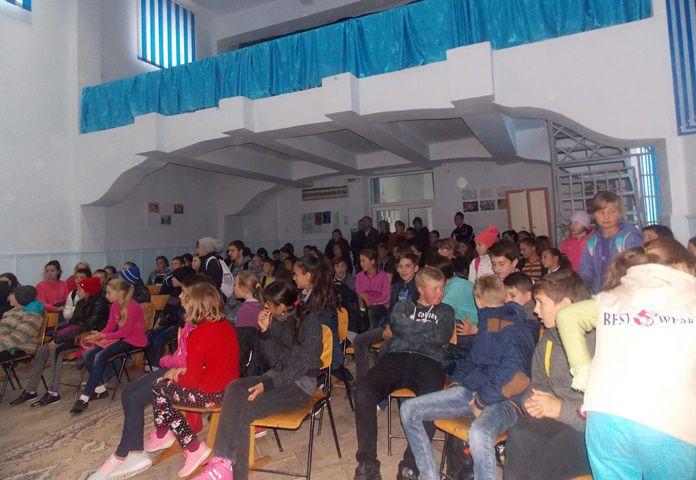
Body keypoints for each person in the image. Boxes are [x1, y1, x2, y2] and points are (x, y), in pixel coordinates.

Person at [557, 238, 696, 479]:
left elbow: (567, 316)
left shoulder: (613, 295)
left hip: (605, 415)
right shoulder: (691, 295)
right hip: (668, 421)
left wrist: (584, 374)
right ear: (682, 266)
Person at [399, 275, 538, 480]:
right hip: (473, 391)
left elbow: (515, 375)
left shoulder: (515, 326)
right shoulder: (490, 322)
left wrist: (482, 400)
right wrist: (457, 381)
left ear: (478, 300)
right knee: (409, 410)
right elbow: (472, 360)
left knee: (479, 434)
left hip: (506, 401)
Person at [192, 281, 323, 480]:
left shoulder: (310, 322)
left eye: (268, 304)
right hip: (277, 378)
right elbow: (275, 361)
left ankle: (236, 474)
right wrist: (265, 332)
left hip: (301, 386)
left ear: (282, 306)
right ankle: (222, 461)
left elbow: (300, 366)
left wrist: (267, 384)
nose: (265, 307)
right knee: (234, 387)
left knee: (246, 409)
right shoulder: (277, 319)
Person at [86, 275, 214, 480]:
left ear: (195, 298)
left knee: (135, 399)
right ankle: (135, 451)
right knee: (128, 393)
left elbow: (188, 360)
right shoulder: (189, 320)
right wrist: (169, 361)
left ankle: (122, 455)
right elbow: (182, 355)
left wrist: (164, 360)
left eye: (183, 292)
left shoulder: (201, 326)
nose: (179, 296)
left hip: (185, 375)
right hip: (177, 369)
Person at [353, 266, 455, 480]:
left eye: (442, 288)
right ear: (420, 289)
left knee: (430, 404)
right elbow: (398, 325)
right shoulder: (402, 306)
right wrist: (422, 330)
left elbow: (441, 337)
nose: (441, 293)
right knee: (363, 391)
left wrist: (408, 329)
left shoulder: (446, 311)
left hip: (429, 362)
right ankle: (367, 463)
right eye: (435, 288)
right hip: (396, 357)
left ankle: (410, 466)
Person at [142, 281, 239, 478]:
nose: (183, 307)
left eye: (186, 303)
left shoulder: (198, 334)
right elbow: (214, 363)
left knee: (159, 387)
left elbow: (192, 382)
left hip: (211, 395)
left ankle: (191, 446)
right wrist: (183, 370)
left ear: (195, 307)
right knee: (163, 387)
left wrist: (175, 375)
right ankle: (163, 433)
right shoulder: (226, 325)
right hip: (230, 388)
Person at [504, 269, 594, 480]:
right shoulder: (548, 341)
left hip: (589, 431)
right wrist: (532, 401)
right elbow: (538, 385)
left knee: (550, 453)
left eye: (541, 303)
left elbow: (608, 419)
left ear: (565, 305)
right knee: (521, 434)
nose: (535, 310)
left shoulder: (598, 343)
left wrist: (560, 410)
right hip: (558, 421)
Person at [12, 277, 109, 407]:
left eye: (80, 289)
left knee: (56, 350)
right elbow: (72, 323)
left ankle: (53, 393)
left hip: (90, 338)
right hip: (75, 336)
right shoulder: (81, 303)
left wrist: (59, 338)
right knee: (42, 350)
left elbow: (87, 326)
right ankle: (31, 390)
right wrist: (57, 334)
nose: (77, 291)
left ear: (88, 291)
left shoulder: (100, 304)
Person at [70, 278, 148, 414]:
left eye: (109, 293)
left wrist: (102, 336)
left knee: (101, 355)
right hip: (120, 338)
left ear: (120, 293)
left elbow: (125, 332)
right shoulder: (114, 305)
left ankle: (85, 397)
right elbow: (110, 326)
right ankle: (100, 388)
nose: (106, 296)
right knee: (88, 354)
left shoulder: (132, 306)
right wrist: (98, 335)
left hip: (134, 340)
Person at [352, 253, 420, 380]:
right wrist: (388, 325)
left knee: (385, 348)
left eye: (408, 266)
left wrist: (395, 328)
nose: (403, 270)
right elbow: (391, 309)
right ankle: (363, 380)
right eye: (400, 266)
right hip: (391, 325)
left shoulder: (419, 287)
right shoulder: (397, 286)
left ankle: (383, 384)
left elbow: (415, 314)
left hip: (408, 330)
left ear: (415, 268)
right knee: (359, 340)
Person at [578, 191, 642, 294]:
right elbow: (585, 273)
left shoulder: (629, 238)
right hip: (599, 295)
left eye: (612, 212)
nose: (606, 217)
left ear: (619, 213)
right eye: (601, 212)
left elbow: (638, 269)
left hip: (625, 293)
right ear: (593, 215)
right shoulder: (592, 243)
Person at [145, 266, 195, 369]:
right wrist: (159, 321)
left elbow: (182, 316)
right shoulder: (174, 292)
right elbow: (167, 310)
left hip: (180, 325)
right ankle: (149, 364)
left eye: (174, 277)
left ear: (181, 280)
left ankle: (155, 367)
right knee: (152, 334)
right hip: (171, 322)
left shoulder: (188, 294)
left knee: (159, 338)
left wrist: (168, 320)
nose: (172, 279)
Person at [0, 286, 44, 363]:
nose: (9, 297)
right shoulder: (15, 310)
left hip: (15, 348)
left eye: (11, 294)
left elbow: (18, 338)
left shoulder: (32, 316)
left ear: (19, 298)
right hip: (5, 345)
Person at [355, 249, 392, 330]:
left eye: (363, 261)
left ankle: (372, 333)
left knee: (372, 311)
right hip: (364, 306)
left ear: (372, 262)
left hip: (381, 306)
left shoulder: (384, 276)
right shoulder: (359, 276)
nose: (361, 264)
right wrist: (364, 302)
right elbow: (359, 294)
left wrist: (370, 302)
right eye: (360, 261)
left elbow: (385, 297)